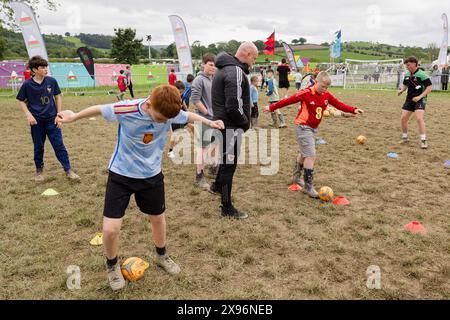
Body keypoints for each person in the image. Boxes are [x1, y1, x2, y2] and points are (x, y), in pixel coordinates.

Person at [56, 85, 224, 291]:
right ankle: (112, 266)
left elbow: (187, 115)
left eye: (166, 120)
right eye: (160, 118)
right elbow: (100, 109)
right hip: (121, 175)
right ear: (148, 104)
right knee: (110, 229)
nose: (163, 122)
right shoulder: (127, 109)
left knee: (158, 218)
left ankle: (162, 255)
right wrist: (74, 117)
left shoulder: (170, 111)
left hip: (151, 176)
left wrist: (209, 121)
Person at [263, 71, 364, 198]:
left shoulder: (326, 95)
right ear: (315, 82)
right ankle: (308, 186)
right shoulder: (306, 93)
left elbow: (339, 104)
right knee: (310, 155)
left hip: (312, 129)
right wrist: (272, 107)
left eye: (327, 87)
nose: (325, 89)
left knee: (304, 154)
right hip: (302, 126)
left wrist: (353, 109)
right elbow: (288, 100)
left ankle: (296, 177)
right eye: (322, 86)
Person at [208, 42, 258, 219]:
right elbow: (233, 106)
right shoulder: (235, 71)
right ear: (247, 53)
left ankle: (216, 186)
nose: (253, 62)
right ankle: (226, 207)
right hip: (230, 126)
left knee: (224, 160)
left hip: (222, 124)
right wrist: (244, 122)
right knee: (230, 165)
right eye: (254, 57)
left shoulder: (225, 68)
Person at [16, 56, 80, 182]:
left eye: (46, 67)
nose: (46, 69)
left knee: (59, 145)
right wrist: (28, 115)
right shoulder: (27, 84)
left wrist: (58, 114)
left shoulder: (52, 81)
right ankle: (39, 172)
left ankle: (68, 170)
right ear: (34, 70)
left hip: (52, 120)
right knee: (38, 147)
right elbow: (20, 100)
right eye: (42, 67)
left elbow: (58, 97)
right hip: (36, 121)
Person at [191, 53, 217, 190]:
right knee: (202, 148)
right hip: (203, 119)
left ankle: (213, 167)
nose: (213, 68)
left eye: (215, 65)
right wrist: (207, 113)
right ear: (203, 64)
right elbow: (195, 100)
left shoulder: (213, 79)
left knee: (215, 145)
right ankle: (199, 176)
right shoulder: (198, 80)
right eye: (211, 65)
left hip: (214, 119)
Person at [397, 56, 432, 149]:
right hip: (409, 99)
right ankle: (405, 138)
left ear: (414, 64)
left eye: (408, 65)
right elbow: (405, 84)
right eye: (406, 65)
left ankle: (423, 141)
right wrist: (401, 90)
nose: (407, 67)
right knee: (403, 118)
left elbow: (429, 88)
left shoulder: (422, 74)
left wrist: (420, 96)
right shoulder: (408, 74)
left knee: (419, 118)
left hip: (420, 99)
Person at [167, 80, 188, 159]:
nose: (180, 94)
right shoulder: (171, 97)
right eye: (179, 92)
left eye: (182, 92)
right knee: (175, 136)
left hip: (182, 115)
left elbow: (183, 102)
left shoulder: (181, 96)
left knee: (193, 126)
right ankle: (170, 151)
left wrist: (187, 111)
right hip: (174, 117)